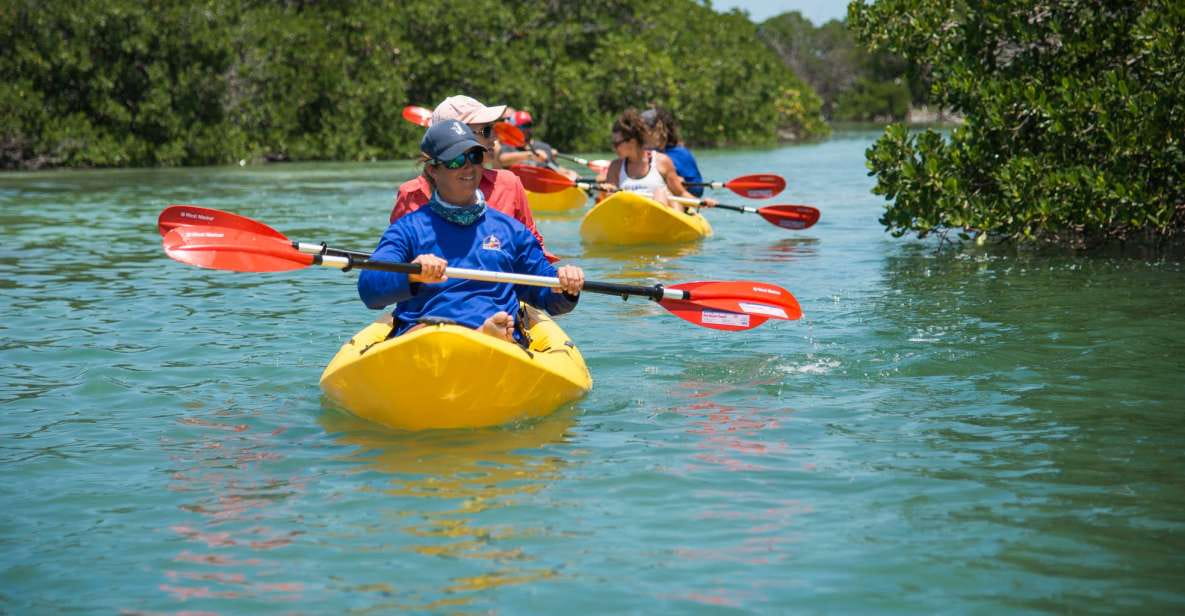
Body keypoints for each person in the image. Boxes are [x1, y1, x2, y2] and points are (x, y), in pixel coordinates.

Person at [359, 120, 585, 343]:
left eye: (475, 157)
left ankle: (484, 336)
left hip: (497, 339)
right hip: (424, 337)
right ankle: (477, 334)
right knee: (425, 331)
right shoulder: (408, 229)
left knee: (498, 329)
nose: (468, 166)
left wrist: (565, 286)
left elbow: (547, 296)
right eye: (456, 160)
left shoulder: (511, 231)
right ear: (433, 170)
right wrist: (411, 274)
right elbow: (370, 289)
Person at [390, 95, 557, 262]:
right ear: (456, 135)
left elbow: (534, 248)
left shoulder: (508, 184)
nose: (494, 138)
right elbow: (396, 259)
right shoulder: (411, 193)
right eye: (486, 131)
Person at [601, 109, 716, 211]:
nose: (613, 147)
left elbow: (680, 193)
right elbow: (611, 199)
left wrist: (701, 202)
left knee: (661, 193)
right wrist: (608, 190)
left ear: (632, 141)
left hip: (659, 218)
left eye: (617, 143)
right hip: (630, 218)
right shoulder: (615, 167)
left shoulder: (662, 161)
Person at [496, 110, 580, 180]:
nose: (526, 129)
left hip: (542, 189)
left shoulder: (544, 147)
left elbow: (555, 168)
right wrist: (530, 155)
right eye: (522, 126)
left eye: (528, 125)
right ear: (514, 128)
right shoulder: (508, 146)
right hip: (520, 189)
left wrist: (568, 173)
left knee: (570, 174)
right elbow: (502, 160)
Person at [642, 107, 706, 198]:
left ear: (659, 129)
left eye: (643, 129)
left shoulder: (681, 155)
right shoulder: (638, 156)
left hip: (677, 203)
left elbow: (698, 190)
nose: (639, 134)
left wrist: (680, 184)